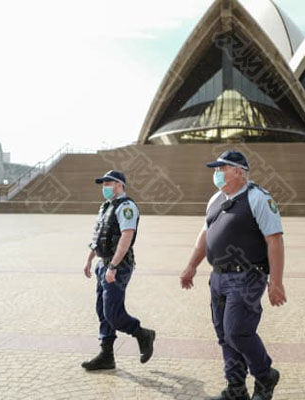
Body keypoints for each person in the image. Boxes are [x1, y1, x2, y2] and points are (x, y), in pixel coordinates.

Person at [180, 151, 287, 400]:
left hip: (248, 276)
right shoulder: (216, 199)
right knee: (224, 335)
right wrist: (191, 266)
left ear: (239, 171)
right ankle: (236, 388)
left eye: (222, 168)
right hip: (218, 277)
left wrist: (277, 282)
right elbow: (204, 237)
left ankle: (264, 375)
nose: (216, 173)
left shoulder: (258, 199)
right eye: (216, 169)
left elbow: (275, 241)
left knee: (238, 331)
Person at [82, 170, 156, 371]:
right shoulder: (106, 206)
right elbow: (98, 236)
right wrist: (90, 260)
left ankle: (142, 334)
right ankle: (107, 355)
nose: (104, 187)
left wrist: (113, 266)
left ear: (120, 185)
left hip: (118, 266)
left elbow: (126, 237)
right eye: (103, 183)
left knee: (113, 313)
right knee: (102, 310)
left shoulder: (126, 207)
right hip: (102, 264)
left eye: (108, 183)